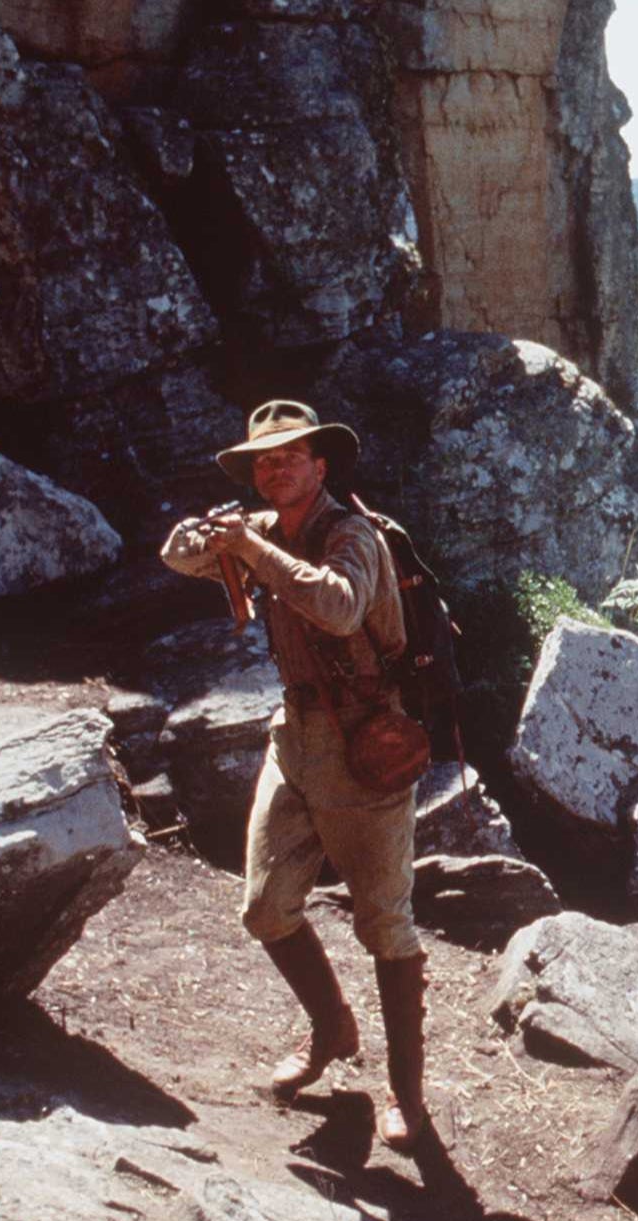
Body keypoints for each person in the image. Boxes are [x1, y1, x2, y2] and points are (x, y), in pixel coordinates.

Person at [160, 399, 429, 1153]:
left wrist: (250, 546)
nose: (275, 469)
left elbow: (338, 609)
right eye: (264, 461)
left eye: (290, 457)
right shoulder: (263, 529)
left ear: (320, 465)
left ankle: (408, 1096)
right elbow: (178, 559)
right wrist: (206, 536)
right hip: (296, 737)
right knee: (265, 907)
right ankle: (332, 1027)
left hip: (367, 743)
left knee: (384, 923)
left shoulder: (352, 535)